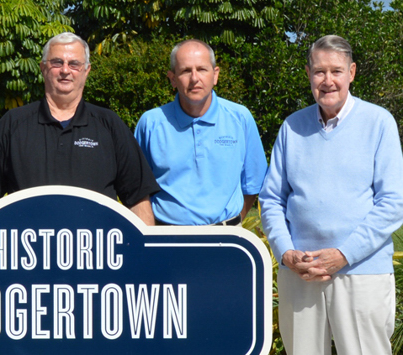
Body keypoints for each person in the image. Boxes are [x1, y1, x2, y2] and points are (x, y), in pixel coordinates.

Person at [260, 35, 403, 355]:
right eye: (319, 71)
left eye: (336, 71)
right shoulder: (291, 127)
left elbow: (393, 203)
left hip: (360, 272)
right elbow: (271, 199)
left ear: (351, 72)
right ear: (308, 73)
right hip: (301, 273)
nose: (328, 81)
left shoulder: (379, 123)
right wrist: (285, 252)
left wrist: (344, 254)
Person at [0, 32, 159, 224]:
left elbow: (138, 198)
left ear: (87, 70)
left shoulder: (109, 125)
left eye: (74, 64)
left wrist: (143, 252)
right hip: (28, 250)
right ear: (43, 68)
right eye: (57, 62)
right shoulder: (12, 124)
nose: (65, 70)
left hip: (95, 251)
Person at [134, 39, 267, 226]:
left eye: (202, 69)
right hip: (167, 239)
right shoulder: (151, 123)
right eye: (186, 71)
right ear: (172, 78)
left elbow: (252, 185)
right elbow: (137, 190)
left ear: (215, 75)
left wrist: (230, 225)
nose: (195, 78)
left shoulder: (240, 118)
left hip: (226, 239)